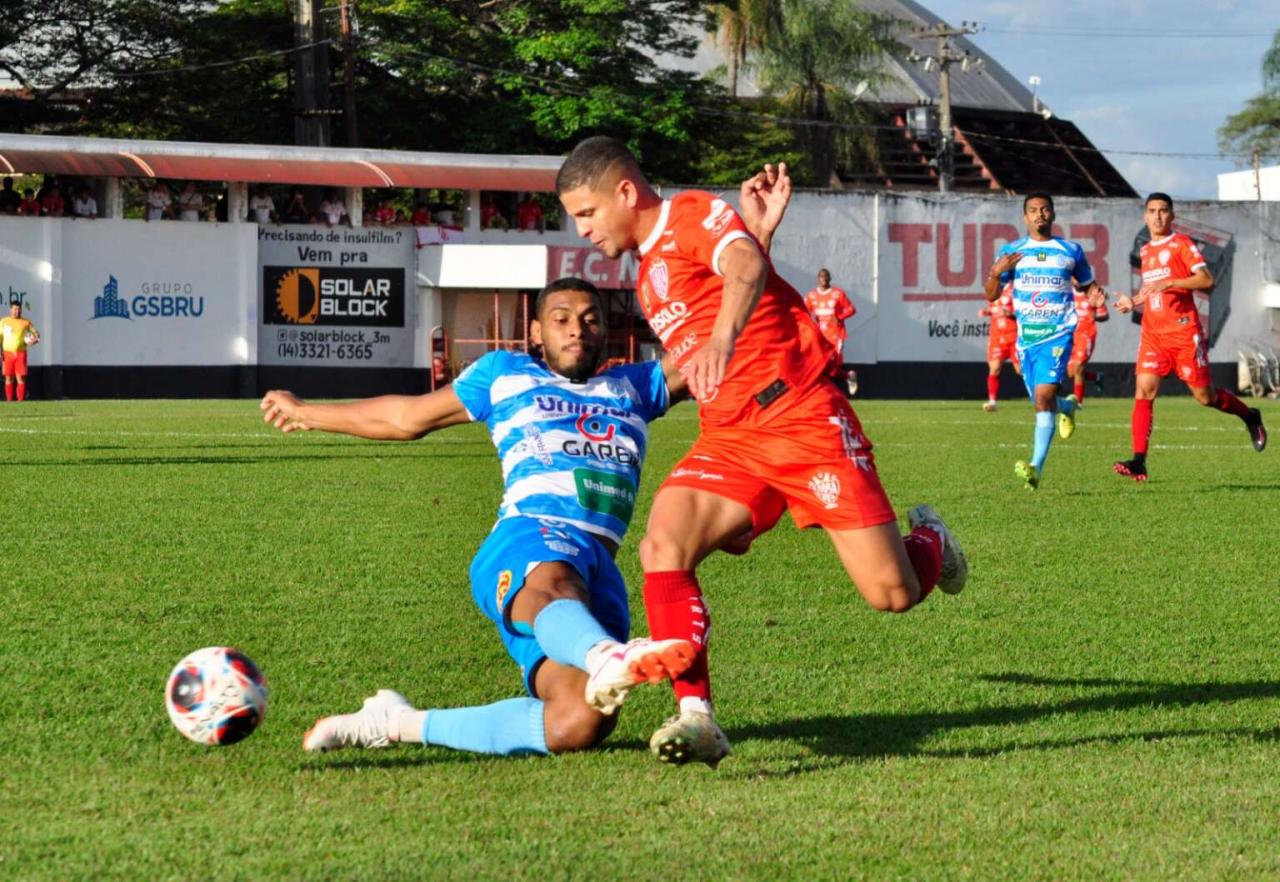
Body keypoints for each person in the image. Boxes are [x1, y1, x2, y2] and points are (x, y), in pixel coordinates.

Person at [557, 137, 967, 768]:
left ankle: (932, 542)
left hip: (801, 415)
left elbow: (743, 270)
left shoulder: (690, 214)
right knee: (663, 545)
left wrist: (727, 323)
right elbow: (748, 278)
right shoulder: (646, 271)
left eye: (585, 213)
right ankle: (697, 716)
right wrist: (761, 245)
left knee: (893, 594)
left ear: (625, 192)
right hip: (732, 436)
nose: (582, 230)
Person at [260, 278, 696, 758]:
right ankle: (606, 654)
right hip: (530, 534)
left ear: (605, 331)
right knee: (555, 583)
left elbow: (723, 347)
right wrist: (307, 414)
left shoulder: (635, 387)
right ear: (535, 333)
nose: (577, 329)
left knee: (577, 723)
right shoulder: (503, 374)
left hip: (601, 563)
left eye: (590, 320)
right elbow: (406, 418)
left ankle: (394, 720)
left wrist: (752, 244)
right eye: (562, 319)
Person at [1112, 193, 1266, 481]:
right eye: (1152, 211)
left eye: (1163, 211)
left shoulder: (1182, 244)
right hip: (1153, 334)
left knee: (1205, 398)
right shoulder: (1145, 251)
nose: (1157, 216)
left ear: (1171, 216)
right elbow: (1153, 290)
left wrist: (1172, 281)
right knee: (1144, 391)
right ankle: (1138, 460)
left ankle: (1249, 416)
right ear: (1145, 216)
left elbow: (1207, 280)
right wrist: (1133, 302)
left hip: (1184, 333)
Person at [984, 192, 1105, 490]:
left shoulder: (1070, 251)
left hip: (1058, 332)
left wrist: (1096, 296)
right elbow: (991, 294)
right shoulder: (1012, 251)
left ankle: (1036, 466)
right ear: (1025, 217)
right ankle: (1067, 408)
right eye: (1033, 210)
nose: (1039, 215)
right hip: (1027, 339)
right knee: (1041, 400)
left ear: (1052, 215)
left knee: (1042, 396)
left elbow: (1088, 284)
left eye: (1045, 210)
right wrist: (996, 273)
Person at [803, 268, 857, 396]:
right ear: (818, 278)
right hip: (819, 336)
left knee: (832, 364)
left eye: (826, 276)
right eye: (821, 276)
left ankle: (838, 383)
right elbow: (803, 310)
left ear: (830, 278)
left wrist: (839, 317)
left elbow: (851, 309)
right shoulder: (811, 296)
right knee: (823, 364)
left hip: (836, 335)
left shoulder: (838, 293)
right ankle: (847, 376)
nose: (824, 279)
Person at [978, 280, 1019, 412]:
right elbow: (994, 309)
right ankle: (992, 402)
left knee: (1021, 371)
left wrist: (1011, 314)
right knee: (994, 368)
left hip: (1014, 336)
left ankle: (1041, 393)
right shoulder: (993, 290)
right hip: (997, 337)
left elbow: (1025, 311)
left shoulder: (1015, 289)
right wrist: (986, 312)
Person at [1068, 283, 1108, 404]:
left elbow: (1104, 315)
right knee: (1071, 373)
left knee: (1079, 366)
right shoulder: (1067, 293)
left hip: (1086, 335)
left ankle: (1078, 403)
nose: (1076, 280)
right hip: (1071, 335)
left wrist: (1091, 314)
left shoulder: (1093, 294)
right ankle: (1096, 377)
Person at [1, 302, 39, 401]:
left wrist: (35, 340)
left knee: (20, 378)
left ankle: (20, 401)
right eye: (15, 309)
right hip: (7, 353)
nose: (17, 311)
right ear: (10, 310)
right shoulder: (4, 321)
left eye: (19, 309)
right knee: (8, 378)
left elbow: (36, 334)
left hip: (20, 354)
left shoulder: (26, 322)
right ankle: (9, 401)